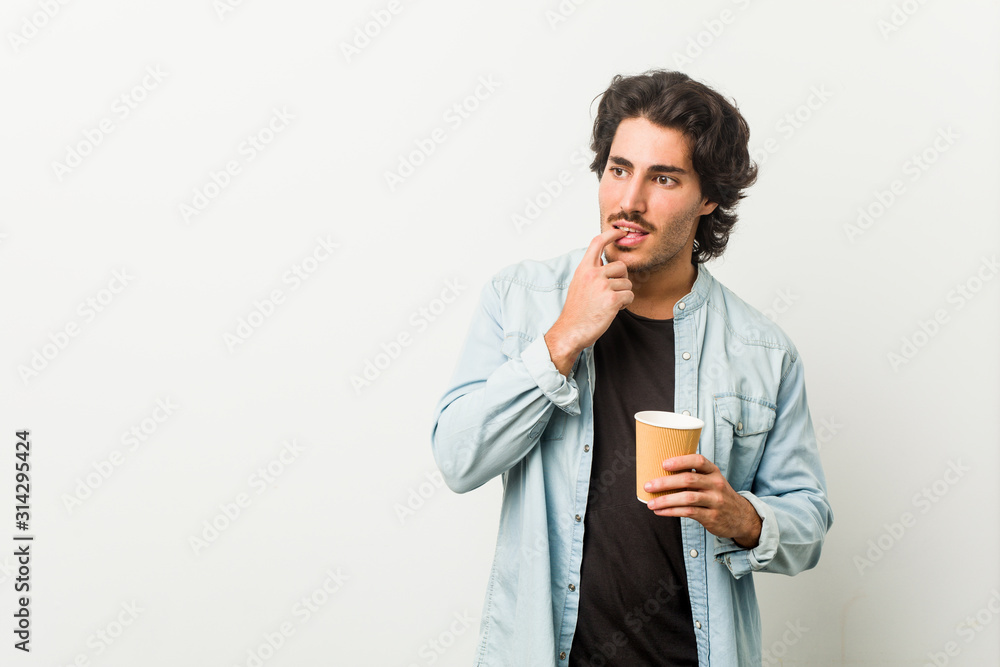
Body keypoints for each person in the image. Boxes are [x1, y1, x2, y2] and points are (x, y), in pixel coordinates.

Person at [430, 69, 833, 666]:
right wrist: (565, 337)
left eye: (663, 178)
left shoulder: (762, 352)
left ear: (710, 197)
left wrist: (742, 516)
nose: (629, 202)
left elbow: (808, 523)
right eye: (619, 170)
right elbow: (458, 459)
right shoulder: (520, 299)